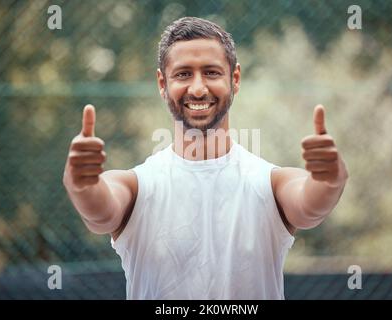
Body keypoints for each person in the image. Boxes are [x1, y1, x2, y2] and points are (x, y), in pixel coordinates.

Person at [63, 17, 348, 299]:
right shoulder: (136, 187)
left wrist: (330, 179)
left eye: (211, 72)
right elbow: (100, 213)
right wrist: (81, 185)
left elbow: (310, 205)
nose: (198, 88)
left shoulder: (271, 184)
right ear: (162, 83)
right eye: (183, 74)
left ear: (234, 79)